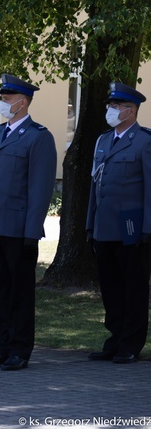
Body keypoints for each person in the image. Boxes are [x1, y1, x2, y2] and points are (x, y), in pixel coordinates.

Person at [0, 74, 57, 371]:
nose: (2, 103)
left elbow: (40, 188)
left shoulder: (38, 137)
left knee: (20, 291)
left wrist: (31, 230)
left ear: (22, 103)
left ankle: (20, 349)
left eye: (7, 99)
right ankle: (2, 345)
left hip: (19, 227)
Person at [86, 82, 151, 364]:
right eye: (109, 106)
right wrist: (90, 224)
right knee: (110, 287)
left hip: (131, 227)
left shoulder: (145, 142)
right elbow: (94, 187)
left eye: (116, 106)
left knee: (133, 287)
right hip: (105, 226)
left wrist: (148, 227)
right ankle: (115, 337)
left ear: (131, 110)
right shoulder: (102, 140)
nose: (110, 111)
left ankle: (131, 343)